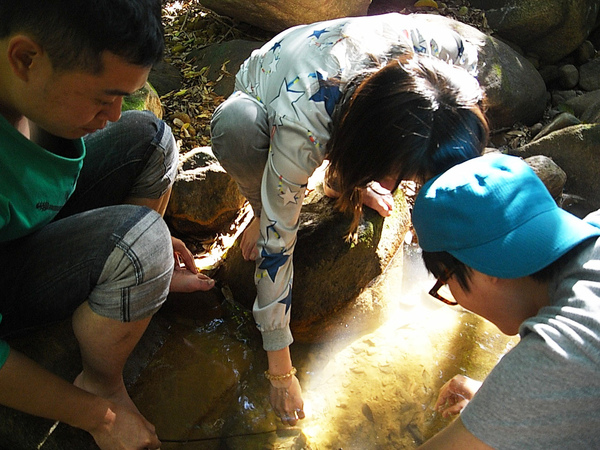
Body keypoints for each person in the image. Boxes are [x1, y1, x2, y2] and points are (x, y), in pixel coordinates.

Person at [210, 13, 489, 425]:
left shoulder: (450, 58)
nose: (398, 184)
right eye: (397, 174)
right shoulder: (303, 120)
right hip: (269, 94)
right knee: (239, 131)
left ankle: (346, 179)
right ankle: (269, 199)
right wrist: (281, 372)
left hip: (358, 100)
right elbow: (277, 249)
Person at [0, 1, 213, 448]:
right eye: (104, 97)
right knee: (142, 244)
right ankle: (101, 380)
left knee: (153, 138)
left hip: (26, 212)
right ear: (25, 59)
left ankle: (132, 284)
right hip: (10, 272)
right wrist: (101, 418)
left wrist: (141, 245)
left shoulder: (27, 90)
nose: (114, 114)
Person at [411, 153, 600, 449]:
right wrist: (499, 406)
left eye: (444, 281)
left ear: (484, 269)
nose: (454, 297)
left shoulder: (557, 349)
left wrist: (510, 396)